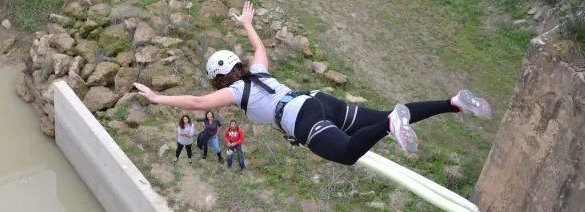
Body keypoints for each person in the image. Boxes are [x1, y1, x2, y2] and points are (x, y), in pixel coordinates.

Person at [133, 1, 491, 166]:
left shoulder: (233, 92)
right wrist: (246, 23)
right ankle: (454, 102)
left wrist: (156, 98)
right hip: (317, 101)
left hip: (302, 119)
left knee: (349, 153)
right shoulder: (258, 70)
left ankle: (389, 124)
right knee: (378, 119)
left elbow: (196, 104)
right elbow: (259, 47)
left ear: (217, 78)